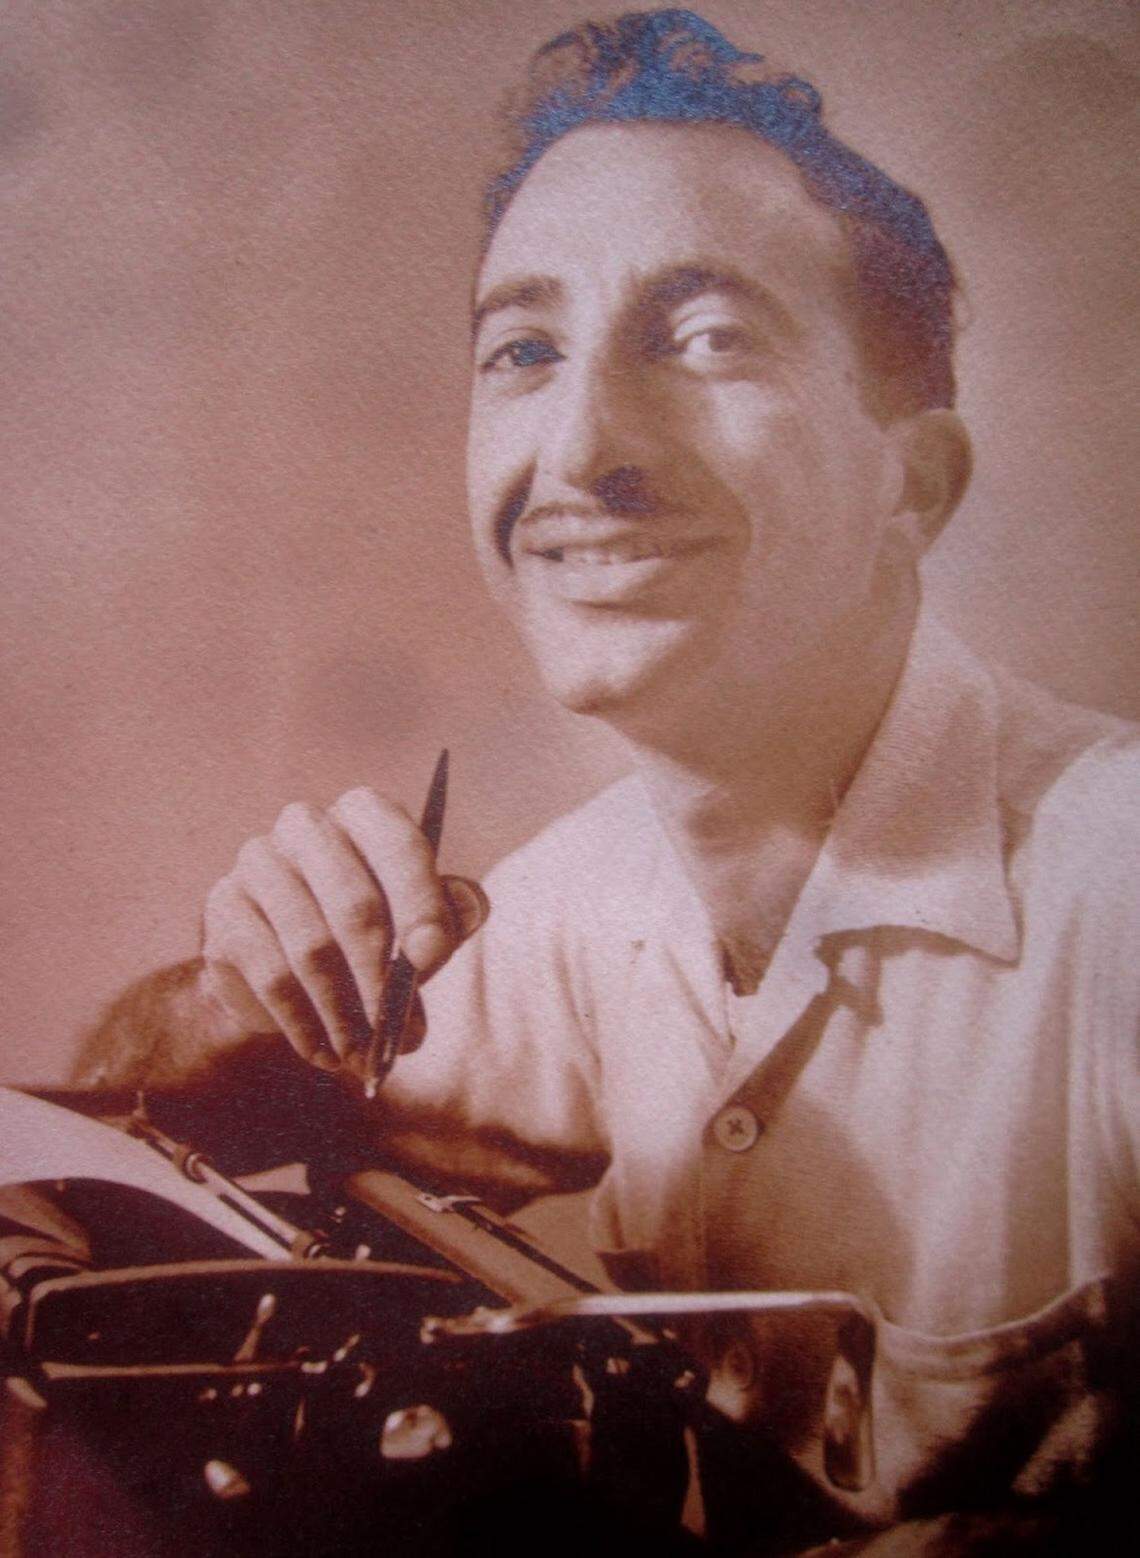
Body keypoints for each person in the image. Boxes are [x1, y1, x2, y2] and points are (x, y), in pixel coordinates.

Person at [74, 10, 1138, 1552]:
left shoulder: (1116, 885)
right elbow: (151, 1112)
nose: (580, 447)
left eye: (707, 339)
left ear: (913, 484)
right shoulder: (595, 893)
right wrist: (235, 993)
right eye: (524, 351)